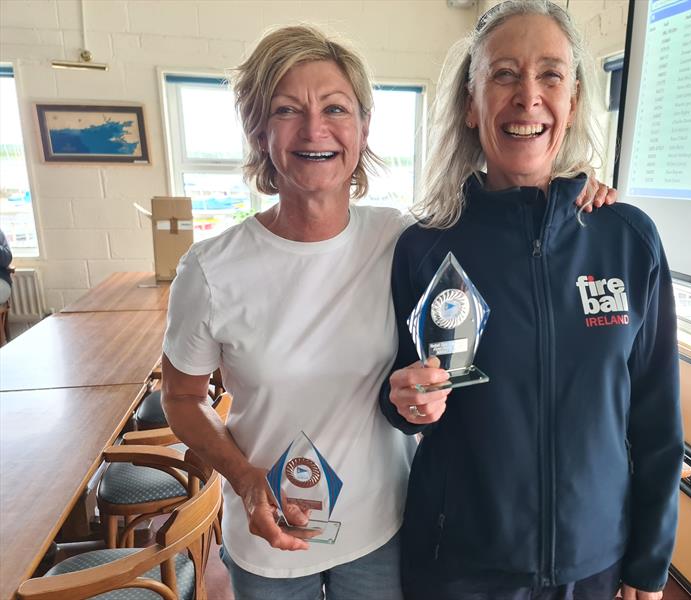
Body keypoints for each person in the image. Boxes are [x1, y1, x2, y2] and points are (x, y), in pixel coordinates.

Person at [161, 22, 616, 600]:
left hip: (384, 532)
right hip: (269, 536)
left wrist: (581, 196)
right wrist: (246, 479)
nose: (314, 130)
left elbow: (512, 233)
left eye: (336, 108)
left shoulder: (406, 240)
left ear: (363, 128)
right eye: (285, 110)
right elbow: (181, 399)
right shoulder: (209, 270)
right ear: (257, 129)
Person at [380, 2, 683, 600]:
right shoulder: (423, 246)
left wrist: (648, 567)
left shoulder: (626, 240)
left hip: (592, 563)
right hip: (459, 566)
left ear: (572, 102)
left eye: (550, 74)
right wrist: (402, 401)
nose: (528, 96)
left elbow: (656, 421)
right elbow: (394, 391)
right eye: (503, 74)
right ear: (470, 104)